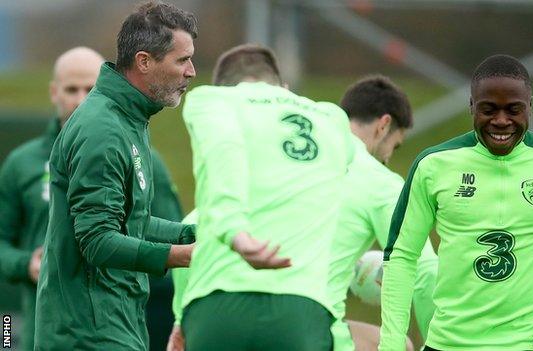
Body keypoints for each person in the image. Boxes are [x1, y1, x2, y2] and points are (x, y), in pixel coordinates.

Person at [379, 54, 533, 351]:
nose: (501, 121)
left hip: (530, 345)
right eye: (488, 109)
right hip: (448, 344)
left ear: (530, 107)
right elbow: (401, 256)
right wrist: (391, 344)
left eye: (514, 110)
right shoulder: (433, 165)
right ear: (472, 106)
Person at [34, 3, 197, 350]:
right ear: (144, 61)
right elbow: (97, 240)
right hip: (88, 334)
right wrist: (183, 255)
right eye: (181, 60)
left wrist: (195, 233)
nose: (192, 71)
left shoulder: (127, 118)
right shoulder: (102, 129)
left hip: (112, 323)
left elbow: (130, 221)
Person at [177, 43, 354, 351]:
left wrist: (236, 234)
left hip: (218, 305)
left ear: (225, 86)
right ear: (284, 87)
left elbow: (225, 154)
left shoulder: (211, 99)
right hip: (302, 308)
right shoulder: (333, 119)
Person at [329, 75, 438, 351]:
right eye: (395, 145)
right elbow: (424, 273)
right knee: (398, 345)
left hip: (222, 308)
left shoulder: (293, 151)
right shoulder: (380, 181)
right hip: (299, 322)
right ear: (384, 125)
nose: (389, 157)